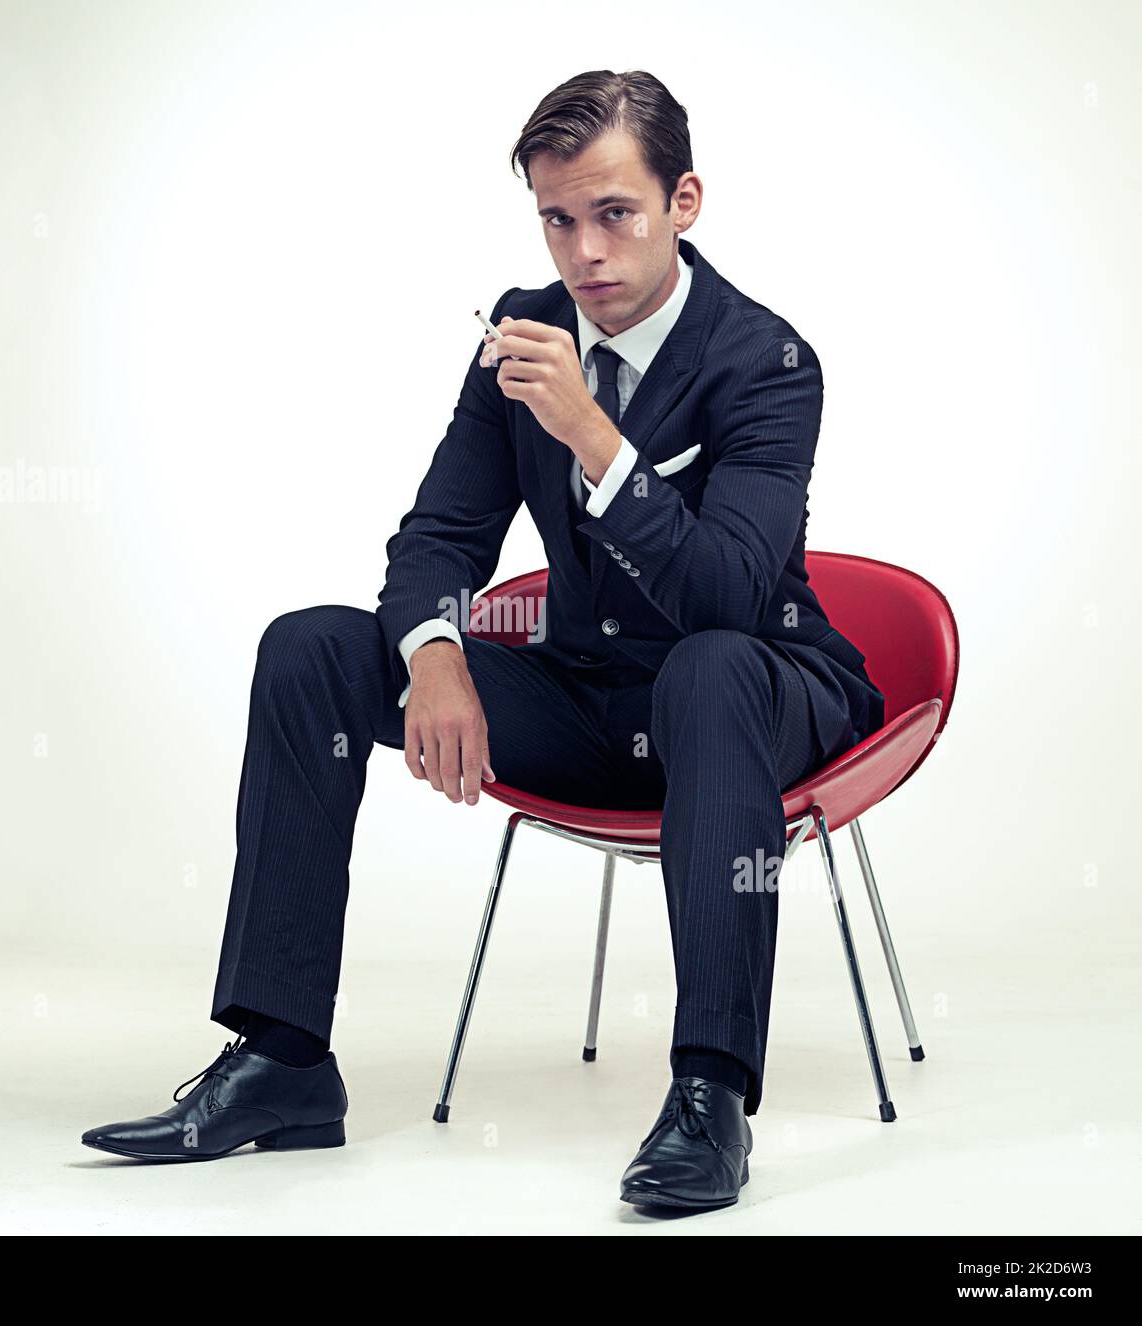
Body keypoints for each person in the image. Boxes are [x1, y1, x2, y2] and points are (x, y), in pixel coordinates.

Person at [81, 68, 885, 1212]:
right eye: (559, 220)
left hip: (759, 689)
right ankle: (284, 1060)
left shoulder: (765, 360)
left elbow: (727, 595)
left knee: (704, 670)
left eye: (615, 213)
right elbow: (439, 535)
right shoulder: (524, 330)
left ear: (685, 202)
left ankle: (710, 1099)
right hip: (590, 697)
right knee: (310, 647)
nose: (585, 254)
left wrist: (592, 438)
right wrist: (436, 657)